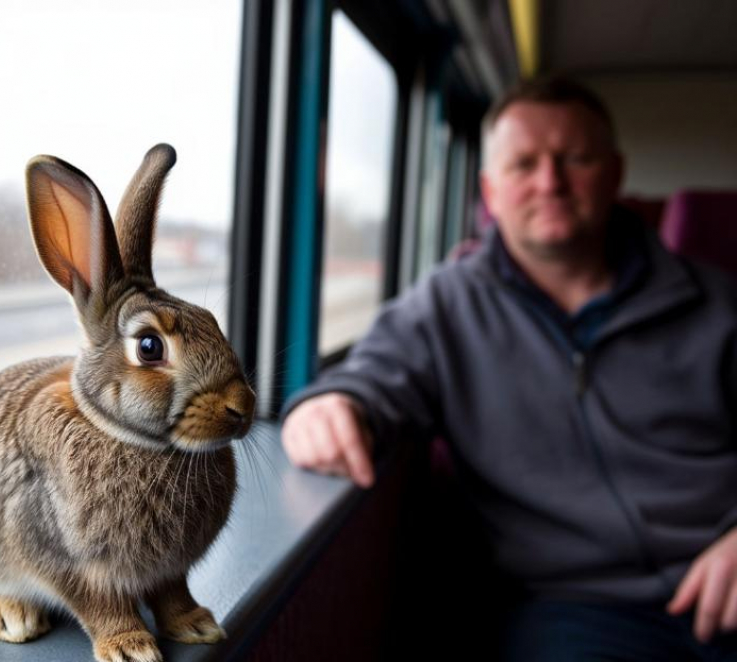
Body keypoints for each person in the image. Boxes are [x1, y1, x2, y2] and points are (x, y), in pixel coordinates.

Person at [280, 76, 737, 660]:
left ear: (616, 174)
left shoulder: (716, 303)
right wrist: (325, 405)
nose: (550, 182)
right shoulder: (447, 305)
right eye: (524, 164)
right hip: (572, 607)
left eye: (576, 158)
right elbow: (369, 377)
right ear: (490, 192)